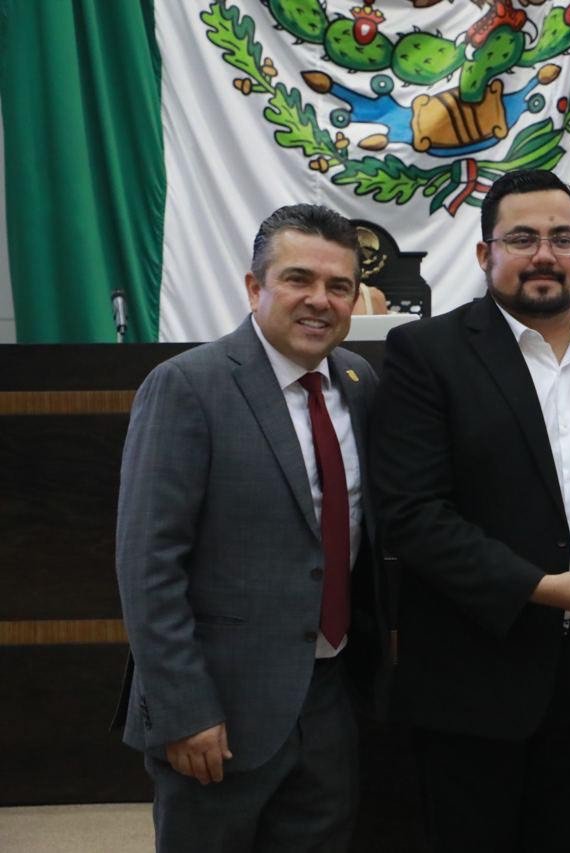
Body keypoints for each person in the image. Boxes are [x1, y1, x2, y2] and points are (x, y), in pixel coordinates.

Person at [369, 169, 570, 852]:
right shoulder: (427, 353)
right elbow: (412, 515)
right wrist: (539, 588)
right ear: (486, 253)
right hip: (477, 674)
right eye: (523, 239)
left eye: (563, 238)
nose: (545, 255)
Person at [114, 204, 383, 851]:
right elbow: (148, 566)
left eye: (339, 286)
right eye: (298, 279)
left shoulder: (359, 382)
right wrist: (184, 709)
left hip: (331, 700)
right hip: (218, 710)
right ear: (254, 287)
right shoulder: (187, 386)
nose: (319, 300)